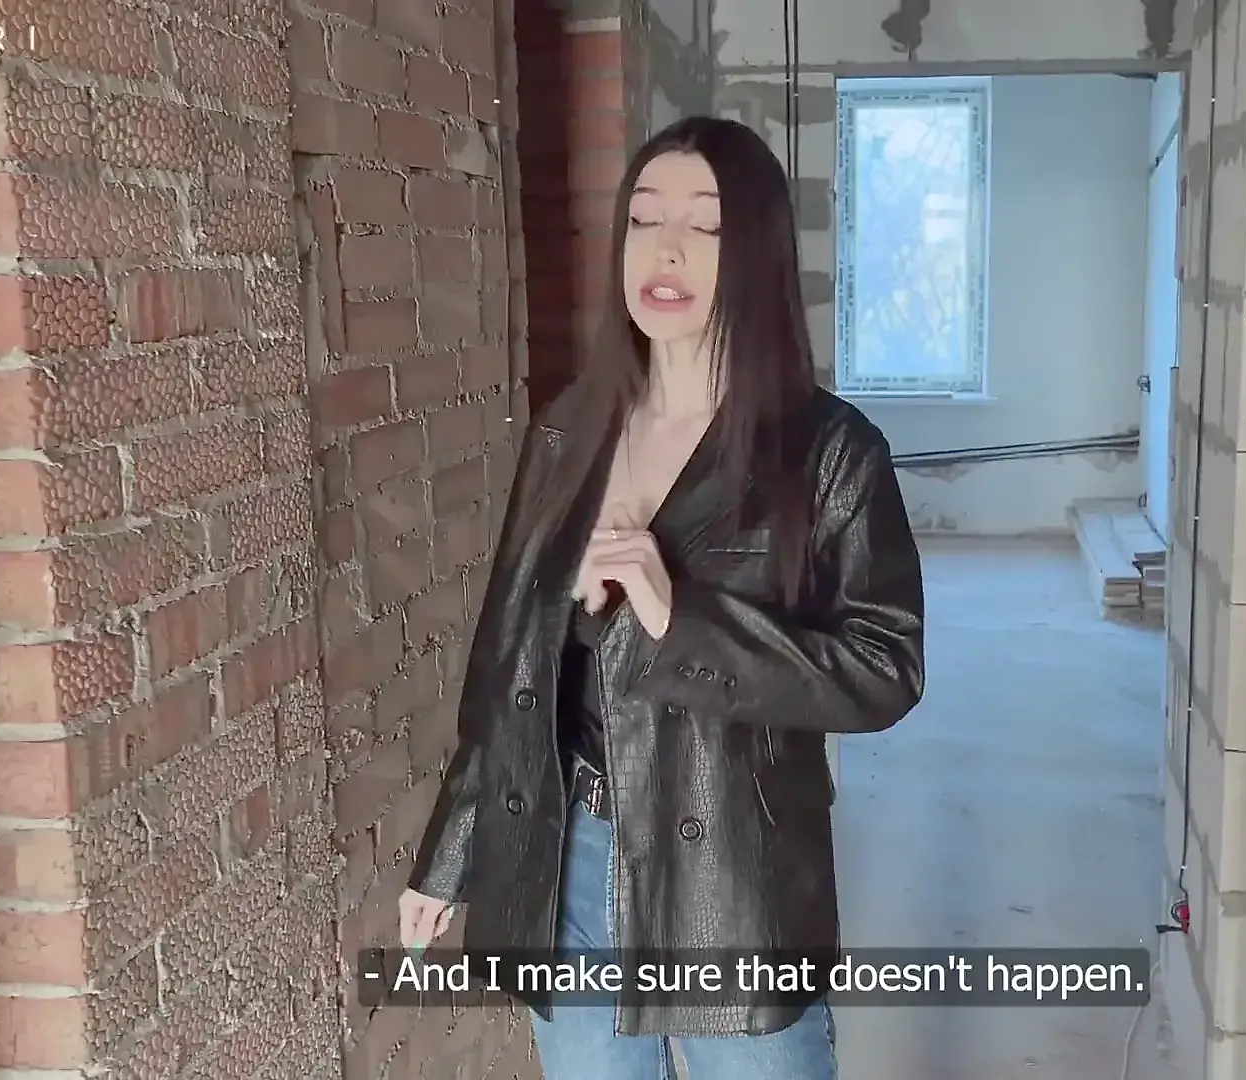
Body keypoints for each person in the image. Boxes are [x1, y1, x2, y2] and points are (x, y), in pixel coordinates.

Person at [397, 115, 927, 1080]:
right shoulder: (568, 435)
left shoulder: (830, 453)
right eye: (643, 219)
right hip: (566, 860)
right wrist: (451, 852)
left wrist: (681, 617)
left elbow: (884, 668)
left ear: (756, 252)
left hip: (732, 881)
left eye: (704, 225)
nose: (665, 249)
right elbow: (509, 667)